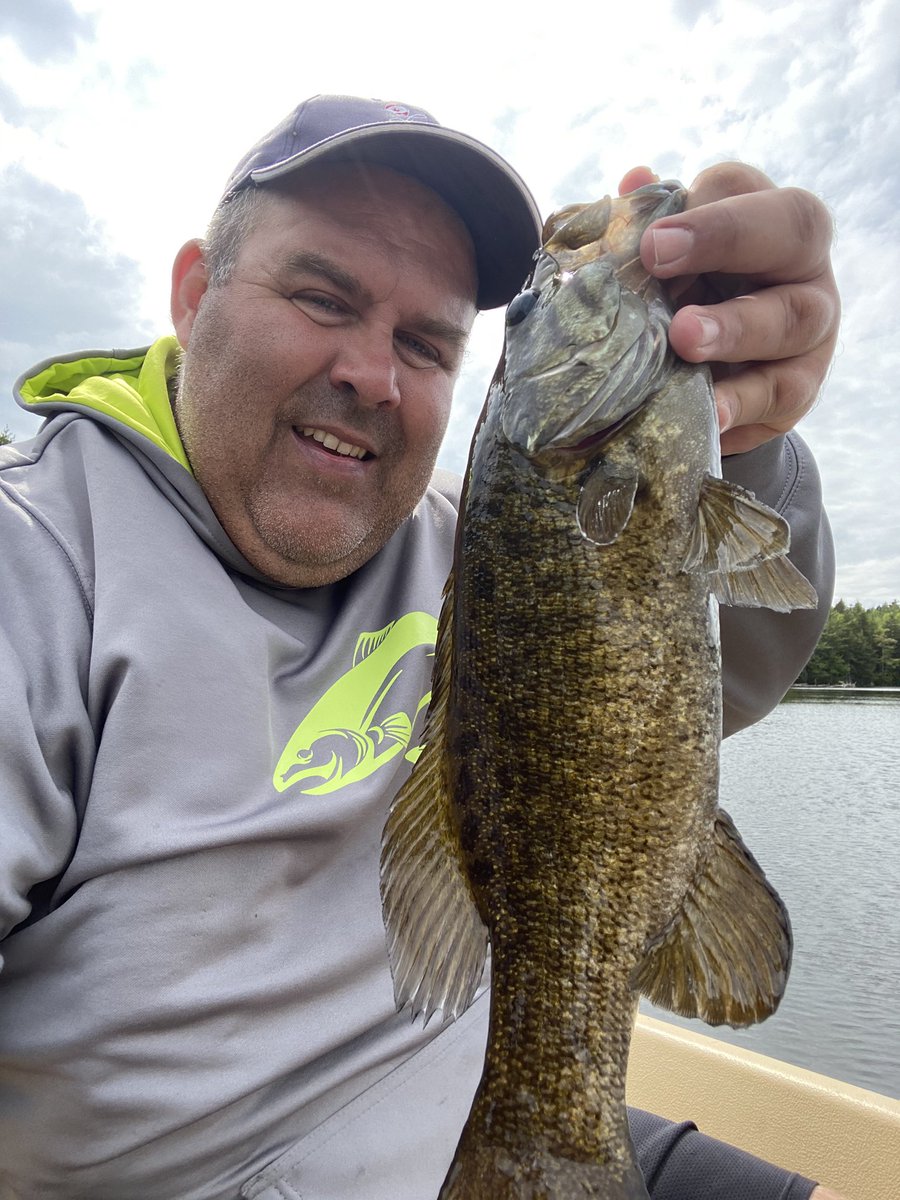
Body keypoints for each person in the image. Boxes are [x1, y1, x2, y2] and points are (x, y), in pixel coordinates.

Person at [0, 94, 842, 1199]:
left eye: (428, 342)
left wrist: (745, 438)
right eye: (322, 297)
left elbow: (734, 661)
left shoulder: (472, 542)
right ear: (195, 297)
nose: (372, 373)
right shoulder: (35, 568)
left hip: (514, 1111)